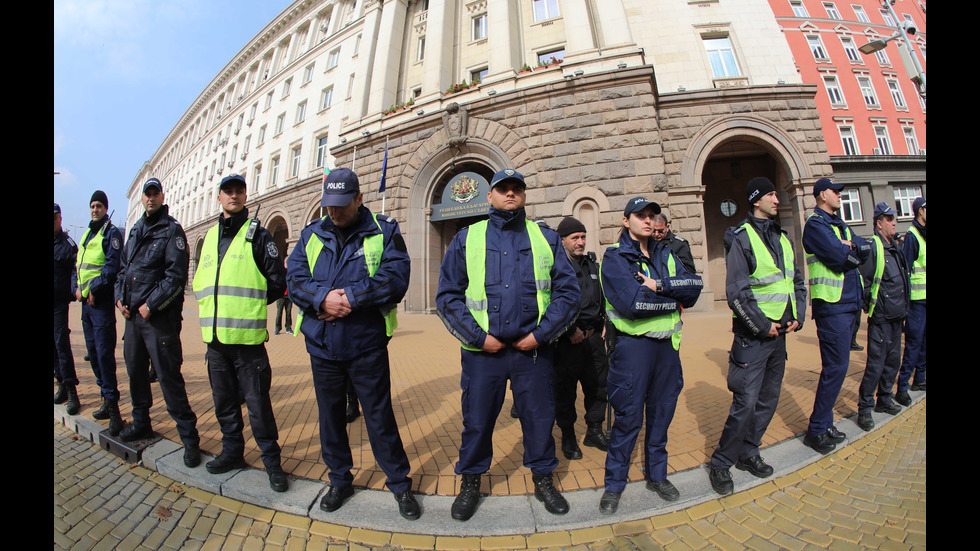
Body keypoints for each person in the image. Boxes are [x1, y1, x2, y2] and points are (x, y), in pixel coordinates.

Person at [436, 169, 580, 521]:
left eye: (517, 189)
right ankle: (471, 481)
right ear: (490, 196)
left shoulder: (545, 237)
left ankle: (543, 478)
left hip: (533, 351)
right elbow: (447, 297)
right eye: (503, 189)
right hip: (484, 354)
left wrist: (541, 335)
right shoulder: (467, 238)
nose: (510, 194)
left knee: (539, 418)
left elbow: (568, 294)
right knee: (477, 421)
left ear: (525, 196)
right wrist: (478, 338)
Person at [286, 168, 419, 520]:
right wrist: (321, 299)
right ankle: (339, 480)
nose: (334, 213)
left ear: (360, 199)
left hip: (365, 345)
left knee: (379, 417)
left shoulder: (384, 230)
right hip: (323, 346)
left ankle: (400, 484)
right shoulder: (311, 234)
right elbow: (295, 279)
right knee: (331, 419)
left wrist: (353, 297)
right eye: (329, 206)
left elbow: (396, 277)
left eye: (342, 205)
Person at [597, 197, 703, 514]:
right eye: (640, 215)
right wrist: (672, 297)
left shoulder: (666, 253)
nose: (647, 220)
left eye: (651, 216)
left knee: (661, 417)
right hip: (634, 349)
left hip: (667, 350)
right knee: (628, 420)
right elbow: (633, 304)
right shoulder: (615, 258)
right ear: (625, 220)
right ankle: (614, 485)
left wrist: (658, 286)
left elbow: (694, 288)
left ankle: (657, 477)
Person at [707, 177, 806, 496]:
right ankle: (721, 462)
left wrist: (797, 317)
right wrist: (763, 325)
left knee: (768, 400)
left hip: (781, 335)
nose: (777, 199)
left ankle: (749, 452)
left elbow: (797, 283)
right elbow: (736, 290)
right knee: (746, 402)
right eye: (771, 194)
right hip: (754, 336)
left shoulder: (783, 237)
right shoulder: (741, 237)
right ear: (755, 200)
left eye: (777, 194)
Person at [191, 174, 289, 493]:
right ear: (219, 197)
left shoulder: (257, 235)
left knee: (259, 407)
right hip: (216, 343)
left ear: (246, 196)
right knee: (224, 405)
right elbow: (201, 283)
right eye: (227, 191)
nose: (233, 195)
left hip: (248, 344)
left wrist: (250, 308)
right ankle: (233, 453)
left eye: (239, 191)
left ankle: (272, 463)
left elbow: (277, 280)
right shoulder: (209, 235)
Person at [114, 179, 201, 467]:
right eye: (147, 194)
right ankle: (141, 422)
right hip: (133, 320)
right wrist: (119, 299)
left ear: (162, 196)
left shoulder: (172, 230)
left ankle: (189, 439)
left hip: (158, 320)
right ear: (142, 198)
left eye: (155, 194)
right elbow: (123, 270)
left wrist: (150, 306)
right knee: (136, 373)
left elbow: (176, 277)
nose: (151, 198)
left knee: (168, 378)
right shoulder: (136, 229)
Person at [801, 178, 871, 454]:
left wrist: (849, 245)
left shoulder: (839, 225)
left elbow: (863, 249)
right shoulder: (816, 225)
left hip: (849, 304)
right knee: (835, 369)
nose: (840, 195)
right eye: (835, 191)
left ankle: (825, 423)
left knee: (838, 368)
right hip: (833, 307)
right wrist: (848, 248)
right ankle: (816, 429)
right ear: (820, 196)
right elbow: (838, 257)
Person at [553, 216, 610, 460]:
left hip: (594, 338)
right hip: (567, 342)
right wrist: (569, 329)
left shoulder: (591, 265)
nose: (580, 242)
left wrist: (606, 322)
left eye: (583, 237)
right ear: (562, 240)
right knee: (565, 392)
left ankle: (594, 431)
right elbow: (551, 303)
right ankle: (568, 437)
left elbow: (602, 297)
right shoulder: (556, 267)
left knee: (598, 387)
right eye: (575, 238)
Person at [856, 202, 909, 431]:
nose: (894, 222)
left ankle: (884, 399)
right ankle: (865, 408)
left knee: (892, 361)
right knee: (875, 365)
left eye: (894, 218)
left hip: (898, 315)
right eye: (889, 219)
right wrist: (870, 305)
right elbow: (864, 280)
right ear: (879, 223)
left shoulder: (895, 246)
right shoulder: (874, 247)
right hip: (882, 317)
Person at [76, 190, 124, 435]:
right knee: (93, 354)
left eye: (99, 206)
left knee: (104, 355)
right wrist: (77, 285)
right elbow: (80, 264)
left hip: (101, 304)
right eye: (92, 206)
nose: (95, 209)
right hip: (86, 305)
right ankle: (105, 399)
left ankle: (114, 409)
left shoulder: (110, 232)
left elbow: (111, 266)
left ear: (106, 208)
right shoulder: (87, 233)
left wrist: (94, 288)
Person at [895, 197, 926, 405]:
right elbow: (906, 270)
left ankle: (920, 379)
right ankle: (902, 387)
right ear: (919, 211)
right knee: (914, 343)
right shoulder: (913, 236)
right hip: (916, 300)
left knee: (924, 342)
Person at [54, 203, 81, 415]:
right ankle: (61, 383)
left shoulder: (68, 245)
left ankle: (72, 390)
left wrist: (74, 290)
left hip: (59, 304)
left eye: (54, 217)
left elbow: (75, 271)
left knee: (62, 345)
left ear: (60, 219)